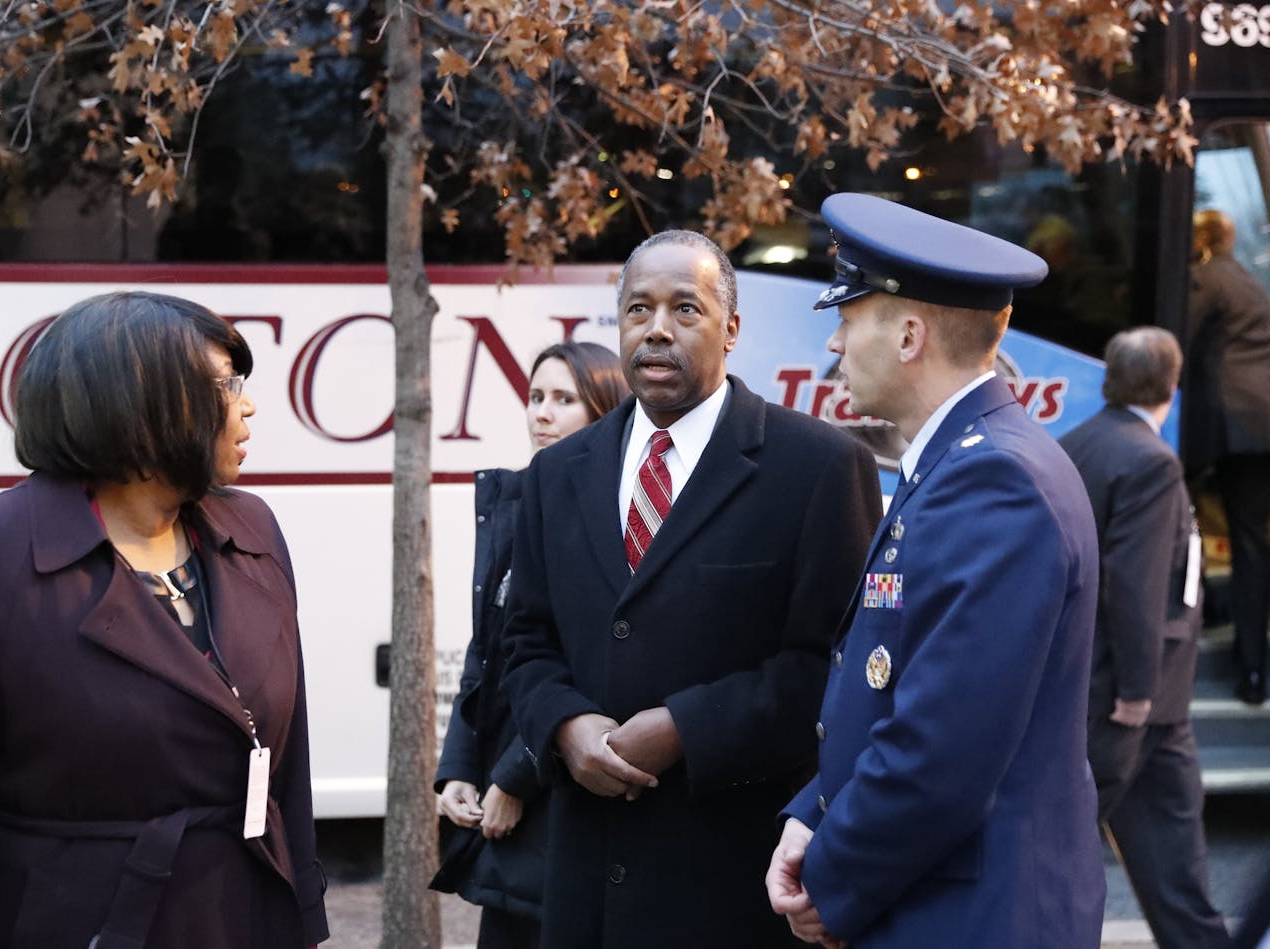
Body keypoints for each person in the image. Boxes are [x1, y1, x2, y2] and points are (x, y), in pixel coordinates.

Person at [0, 291, 328, 949]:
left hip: (240, 917)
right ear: (136, 400)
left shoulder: (250, 526)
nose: (247, 405)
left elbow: (286, 760)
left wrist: (302, 915)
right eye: (226, 385)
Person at [502, 229, 883, 947]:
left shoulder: (818, 469)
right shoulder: (558, 474)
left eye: (685, 309)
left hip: (731, 889)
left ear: (731, 328)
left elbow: (831, 671)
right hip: (586, 886)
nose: (656, 330)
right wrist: (562, 724)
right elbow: (526, 639)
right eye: (638, 310)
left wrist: (686, 727)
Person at [767, 193, 1105, 948]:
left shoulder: (995, 482)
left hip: (969, 918)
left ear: (910, 334)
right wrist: (814, 812)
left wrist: (835, 872)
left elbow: (941, 749)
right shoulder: (966, 462)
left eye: (847, 321)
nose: (833, 346)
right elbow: (896, 692)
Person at [432, 341, 629, 948]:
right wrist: (458, 770)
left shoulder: (620, 518)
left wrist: (518, 776)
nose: (541, 413)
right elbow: (487, 653)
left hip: (564, 796)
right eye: (535, 397)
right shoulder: (516, 500)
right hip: (502, 793)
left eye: (563, 400)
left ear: (604, 413)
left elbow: (591, 667)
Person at [1060, 326, 1230, 948]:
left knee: (1166, 866)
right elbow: (1133, 586)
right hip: (1135, 701)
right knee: (1067, 851)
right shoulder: (1150, 460)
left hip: (1133, 698)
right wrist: (1136, 691)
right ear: (1173, 383)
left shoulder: (1076, 443)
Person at [1183, 208, 1270, 705]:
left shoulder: (1205, 278)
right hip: (1258, 425)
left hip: (1230, 426)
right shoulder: (1243, 276)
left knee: (1191, 530)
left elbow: (1175, 339)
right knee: (1251, 542)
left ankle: (1238, 659)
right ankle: (1252, 668)